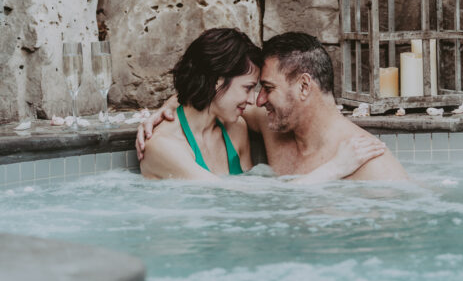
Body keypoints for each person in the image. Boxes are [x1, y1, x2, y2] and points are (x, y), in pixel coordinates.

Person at [138, 32, 408, 181]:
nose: (257, 100)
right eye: (251, 88)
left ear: (304, 86)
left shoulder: (372, 165)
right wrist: (168, 106)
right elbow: (230, 201)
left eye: (267, 88)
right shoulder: (165, 145)